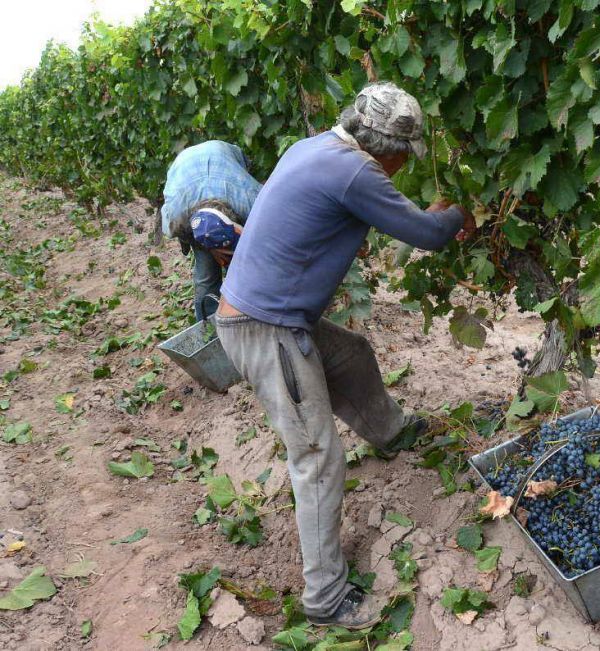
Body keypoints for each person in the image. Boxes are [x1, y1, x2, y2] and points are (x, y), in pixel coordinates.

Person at [215, 82, 475, 629]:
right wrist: (455, 215)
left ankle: (390, 433)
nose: (405, 164)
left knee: (351, 355)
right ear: (385, 146)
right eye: (406, 154)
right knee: (316, 458)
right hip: (268, 330)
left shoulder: (312, 149)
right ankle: (326, 600)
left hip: (274, 319)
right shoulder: (355, 170)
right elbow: (425, 234)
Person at [160, 140, 262, 320]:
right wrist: (194, 244)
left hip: (224, 153)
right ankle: (207, 329)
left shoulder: (250, 200)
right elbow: (179, 233)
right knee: (206, 275)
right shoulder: (175, 218)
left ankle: (249, 316)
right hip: (182, 166)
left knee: (247, 265)